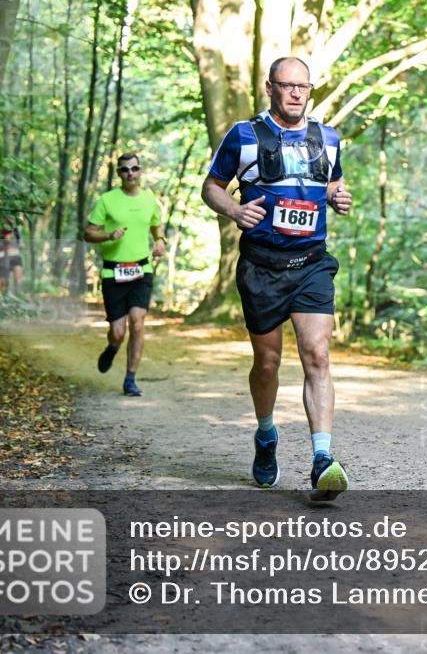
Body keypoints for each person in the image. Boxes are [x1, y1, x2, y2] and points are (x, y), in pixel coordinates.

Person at [200, 57, 353, 501]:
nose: (294, 94)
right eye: (286, 86)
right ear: (270, 88)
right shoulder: (243, 135)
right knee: (267, 363)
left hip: (311, 263)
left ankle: (322, 458)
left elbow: (330, 183)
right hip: (261, 266)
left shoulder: (328, 137)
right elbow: (211, 186)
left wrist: (338, 196)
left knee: (317, 355)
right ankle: (266, 434)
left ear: (310, 90)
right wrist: (233, 209)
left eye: (302, 87)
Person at [84, 153, 165, 396]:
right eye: (124, 169)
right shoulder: (107, 201)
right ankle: (112, 346)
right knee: (118, 332)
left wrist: (159, 240)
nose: (130, 173)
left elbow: (155, 224)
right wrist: (108, 236)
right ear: (118, 173)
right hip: (113, 272)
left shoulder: (150, 200)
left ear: (140, 172)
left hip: (142, 269)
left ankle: (130, 379)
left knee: (137, 324)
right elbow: (88, 233)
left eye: (134, 168)